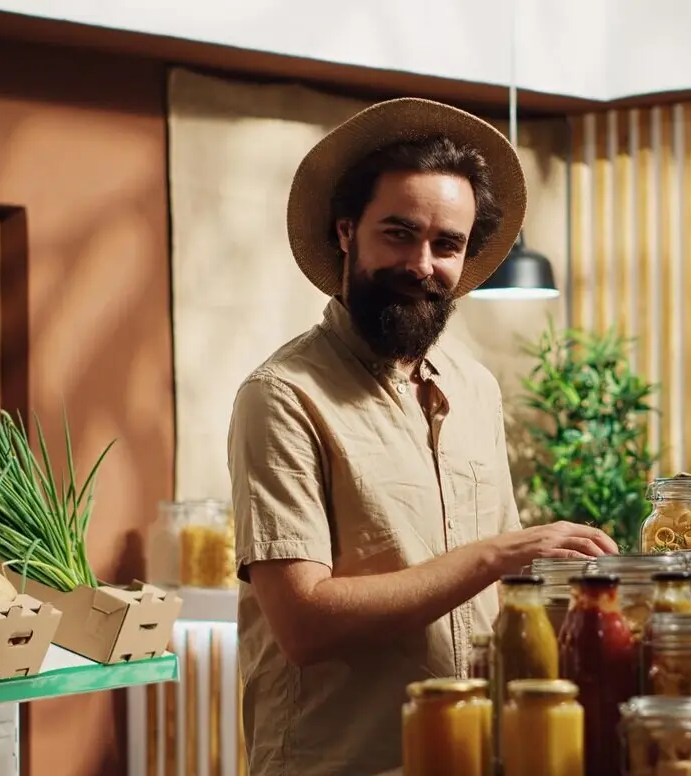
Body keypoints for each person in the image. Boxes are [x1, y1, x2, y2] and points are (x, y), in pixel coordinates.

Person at [227, 98, 619, 776]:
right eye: (399, 234)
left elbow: (504, 596)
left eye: (447, 245)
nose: (423, 264)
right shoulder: (283, 395)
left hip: (480, 756)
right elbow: (304, 623)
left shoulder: (475, 389)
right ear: (347, 231)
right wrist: (496, 554)